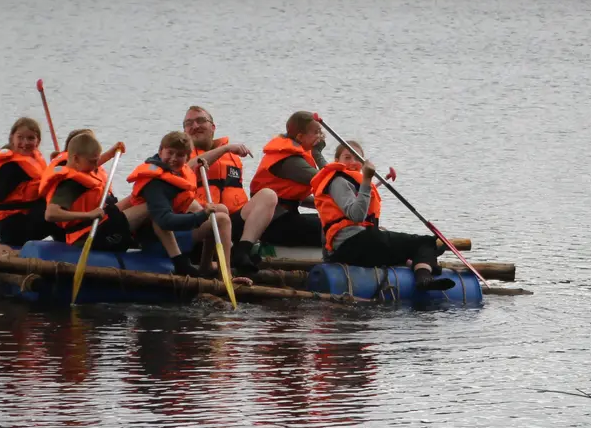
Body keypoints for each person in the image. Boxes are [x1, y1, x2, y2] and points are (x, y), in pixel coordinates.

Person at [311, 140, 456, 292]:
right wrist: (367, 179)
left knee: (420, 249)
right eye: (347, 157)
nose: (353, 162)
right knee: (426, 243)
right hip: (350, 246)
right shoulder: (339, 181)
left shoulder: (346, 179)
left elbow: (359, 220)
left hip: (357, 244)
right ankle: (424, 277)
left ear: (363, 163)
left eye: (357, 158)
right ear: (337, 161)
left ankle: (424, 268)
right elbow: (357, 215)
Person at [182, 105, 278, 274]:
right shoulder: (180, 154)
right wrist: (224, 148)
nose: (195, 126)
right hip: (201, 223)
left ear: (213, 127)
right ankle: (215, 264)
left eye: (200, 120)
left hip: (232, 220)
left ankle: (242, 251)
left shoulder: (233, 158)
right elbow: (188, 169)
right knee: (220, 212)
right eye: (189, 123)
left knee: (268, 195)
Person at [126, 131, 233, 277]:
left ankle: (206, 265)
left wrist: (201, 164)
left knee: (220, 209)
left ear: (187, 157)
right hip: (156, 241)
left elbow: (189, 167)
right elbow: (165, 221)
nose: (174, 159)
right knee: (222, 219)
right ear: (160, 151)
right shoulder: (155, 182)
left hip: (173, 230)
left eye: (180, 155)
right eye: (170, 153)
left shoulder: (178, 172)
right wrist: (202, 215)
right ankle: (226, 275)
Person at [41, 132, 141, 251]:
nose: (96, 167)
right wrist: (89, 215)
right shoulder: (70, 185)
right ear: (76, 158)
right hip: (85, 235)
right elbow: (50, 214)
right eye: (92, 162)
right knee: (148, 207)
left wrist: (110, 154)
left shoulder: (79, 167)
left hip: (96, 222)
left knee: (138, 197)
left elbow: (90, 163)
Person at [249, 111, 328, 248]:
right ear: (300, 136)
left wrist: (327, 205)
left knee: (332, 220)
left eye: (320, 132)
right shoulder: (291, 161)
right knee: (335, 228)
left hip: (284, 217)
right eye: (316, 132)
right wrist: (317, 154)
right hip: (274, 224)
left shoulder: (293, 154)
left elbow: (292, 197)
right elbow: (330, 181)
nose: (320, 136)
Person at [0, 117, 58, 251]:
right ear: (12, 138)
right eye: (20, 137)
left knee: (61, 202)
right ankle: (75, 247)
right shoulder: (10, 168)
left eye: (31, 138)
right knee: (60, 212)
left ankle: (68, 244)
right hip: (14, 229)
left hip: (27, 216)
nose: (25, 143)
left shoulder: (32, 159)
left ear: (38, 141)